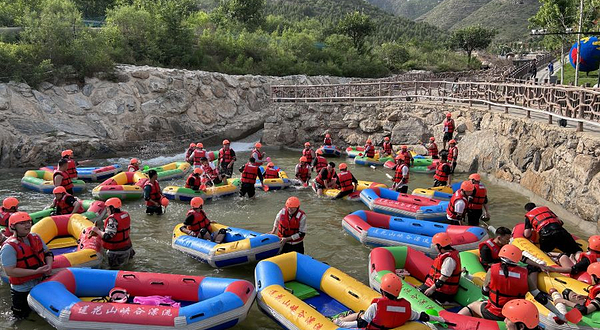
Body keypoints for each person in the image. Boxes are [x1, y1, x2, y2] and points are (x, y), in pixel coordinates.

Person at [333, 273, 446, 328]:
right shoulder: (406, 309)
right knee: (364, 314)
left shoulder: (376, 307)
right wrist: (441, 319)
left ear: (382, 291)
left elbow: (362, 323)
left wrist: (340, 323)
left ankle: (341, 318)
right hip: (391, 325)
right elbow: (422, 316)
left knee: (362, 315)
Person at [458, 245, 539, 321]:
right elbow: (539, 296)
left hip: (495, 313)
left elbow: (485, 291)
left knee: (472, 306)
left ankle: (454, 322)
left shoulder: (492, 270)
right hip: (515, 313)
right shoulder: (525, 275)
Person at [1, 212, 53, 319]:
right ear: (13, 227)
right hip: (22, 288)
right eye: (22, 223)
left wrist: (49, 265)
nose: (27, 225)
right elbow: (10, 271)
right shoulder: (8, 247)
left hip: (40, 282)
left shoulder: (36, 237)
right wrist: (36, 272)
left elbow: (48, 253)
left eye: (28, 222)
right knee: (20, 318)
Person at [91, 198, 135, 268]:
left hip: (117, 252)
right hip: (128, 249)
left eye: (107, 208)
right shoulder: (125, 215)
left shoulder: (112, 220)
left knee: (114, 270)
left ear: (112, 208)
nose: (107, 210)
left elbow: (107, 236)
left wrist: (97, 230)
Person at [419, 232, 461, 303]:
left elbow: (443, 278)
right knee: (419, 289)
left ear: (440, 246)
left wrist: (431, 289)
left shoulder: (449, 260)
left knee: (419, 295)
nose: (435, 247)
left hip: (443, 292)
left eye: (436, 245)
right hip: (433, 284)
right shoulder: (445, 254)